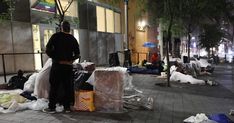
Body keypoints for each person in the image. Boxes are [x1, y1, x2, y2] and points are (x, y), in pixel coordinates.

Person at [43, 21, 80, 113]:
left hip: (57, 66)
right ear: (69, 28)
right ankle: (66, 107)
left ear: (61, 27)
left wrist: (55, 58)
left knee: (54, 86)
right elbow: (77, 54)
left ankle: (52, 107)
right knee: (67, 87)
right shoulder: (73, 39)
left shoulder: (55, 36)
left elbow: (47, 49)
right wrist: (71, 60)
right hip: (68, 67)